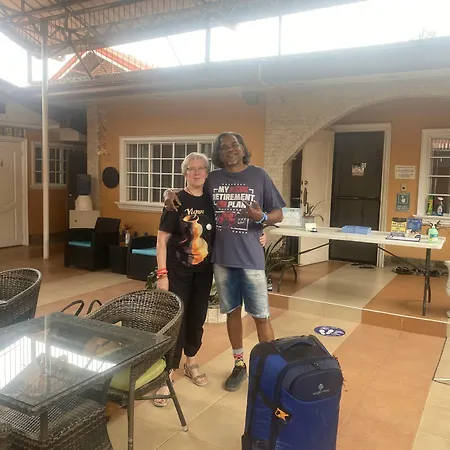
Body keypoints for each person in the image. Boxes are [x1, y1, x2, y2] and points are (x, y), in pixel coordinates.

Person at [164, 132, 286, 392]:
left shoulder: (259, 176)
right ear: (218, 154)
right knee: (232, 312)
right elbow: (192, 190)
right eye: (223, 147)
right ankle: (239, 364)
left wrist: (262, 219)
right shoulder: (214, 179)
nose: (230, 149)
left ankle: (271, 372)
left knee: (261, 316)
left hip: (251, 260)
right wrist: (168, 193)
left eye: (234, 144)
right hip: (221, 260)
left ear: (242, 148)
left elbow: (279, 213)